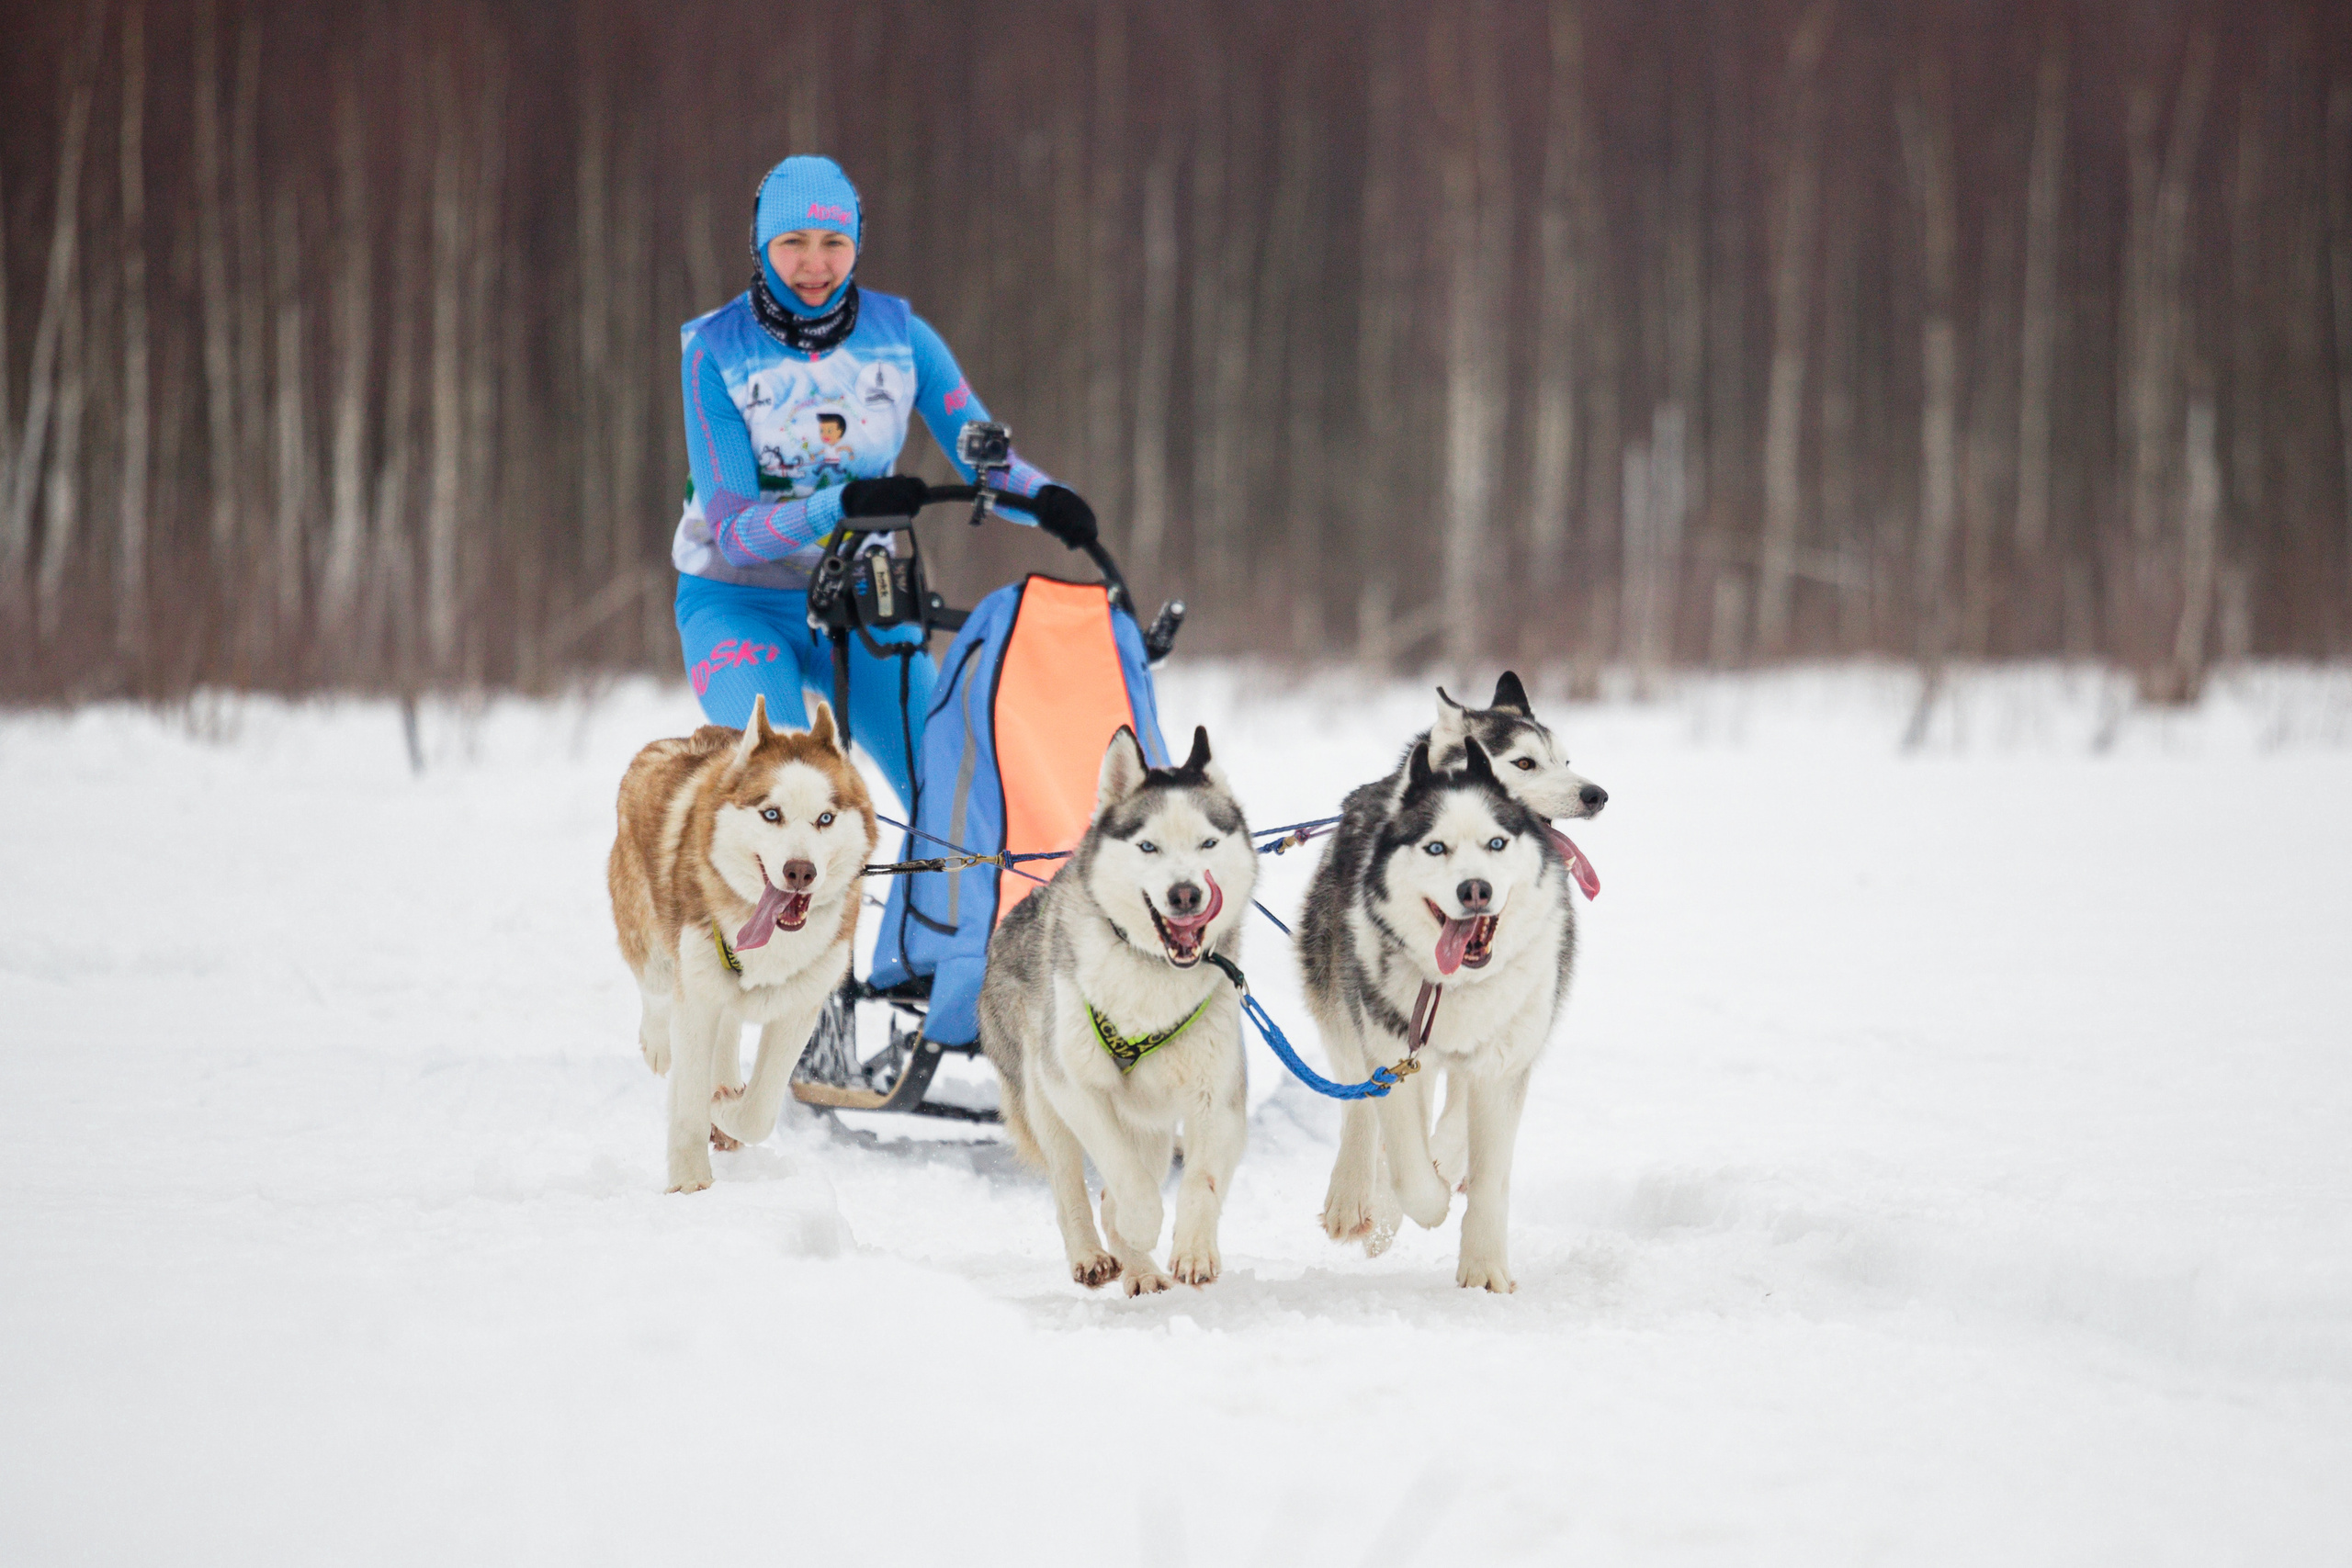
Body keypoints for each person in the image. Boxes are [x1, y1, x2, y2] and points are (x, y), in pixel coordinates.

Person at [673, 154, 1097, 808]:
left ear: (857, 244)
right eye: (793, 242)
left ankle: (944, 882)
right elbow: (734, 531)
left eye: (834, 242)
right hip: (737, 604)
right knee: (783, 792)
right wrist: (840, 503)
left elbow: (985, 461)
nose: (815, 264)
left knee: (956, 795)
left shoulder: (902, 341)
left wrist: (1046, 499)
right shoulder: (716, 351)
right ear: (760, 245)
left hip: (862, 600)